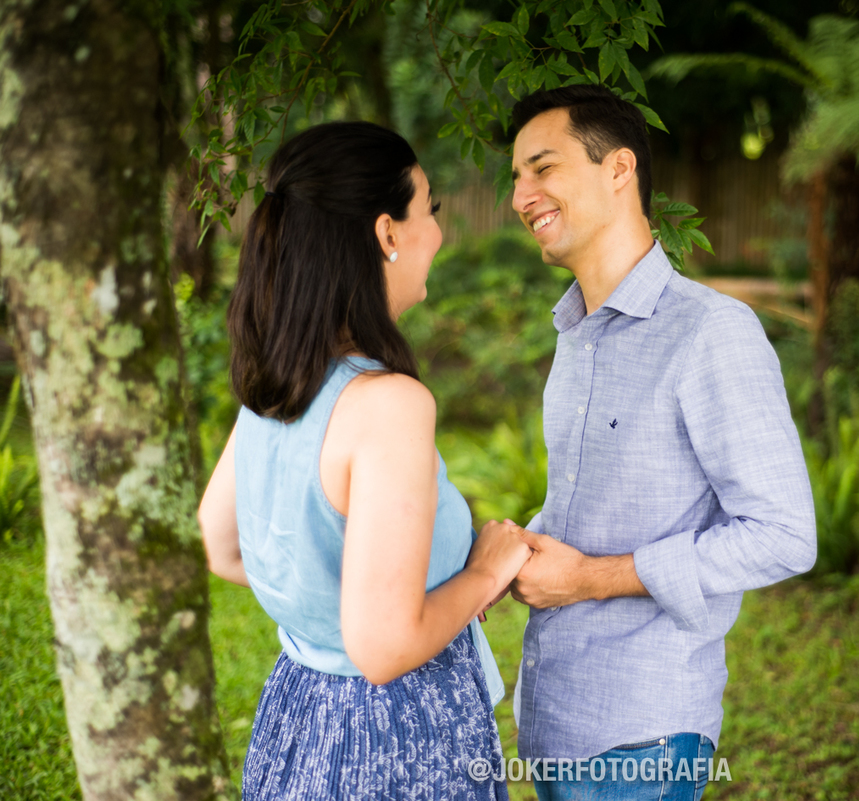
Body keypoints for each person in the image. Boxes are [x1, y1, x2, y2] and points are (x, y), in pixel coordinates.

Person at [197, 121, 529, 801]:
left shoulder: (280, 381)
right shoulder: (388, 403)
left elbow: (221, 543)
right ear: (387, 234)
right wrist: (484, 574)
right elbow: (382, 648)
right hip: (397, 736)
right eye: (429, 209)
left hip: (299, 710)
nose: (437, 232)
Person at [505, 85, 818, 801]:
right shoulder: (576, 331)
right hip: (555, 717)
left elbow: (783, 534)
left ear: (619, 169)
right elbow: (594, 506)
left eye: (542, 168)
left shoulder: (711, 331)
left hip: (641, 735)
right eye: (516, 177)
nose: (522, 196)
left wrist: (589, 578)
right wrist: (516, 550)